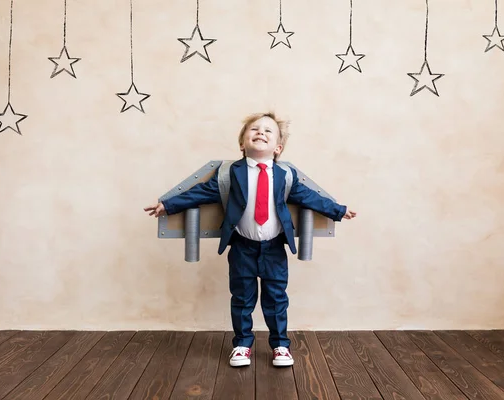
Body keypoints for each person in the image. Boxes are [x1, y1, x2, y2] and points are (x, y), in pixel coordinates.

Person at [144, 112, 356, 367]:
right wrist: (168, 205)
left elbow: (310, 197)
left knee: (276, 297)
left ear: (277, 148)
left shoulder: (285, 176)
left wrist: (338, 210)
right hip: (242, 246)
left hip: (274, 247)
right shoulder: (230, 174)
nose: (260, 133)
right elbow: (200, 192)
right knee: (242, 298)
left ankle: (280, 345)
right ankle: (242, 344)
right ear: (242, 144)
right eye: (254, 129)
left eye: (268, 131)